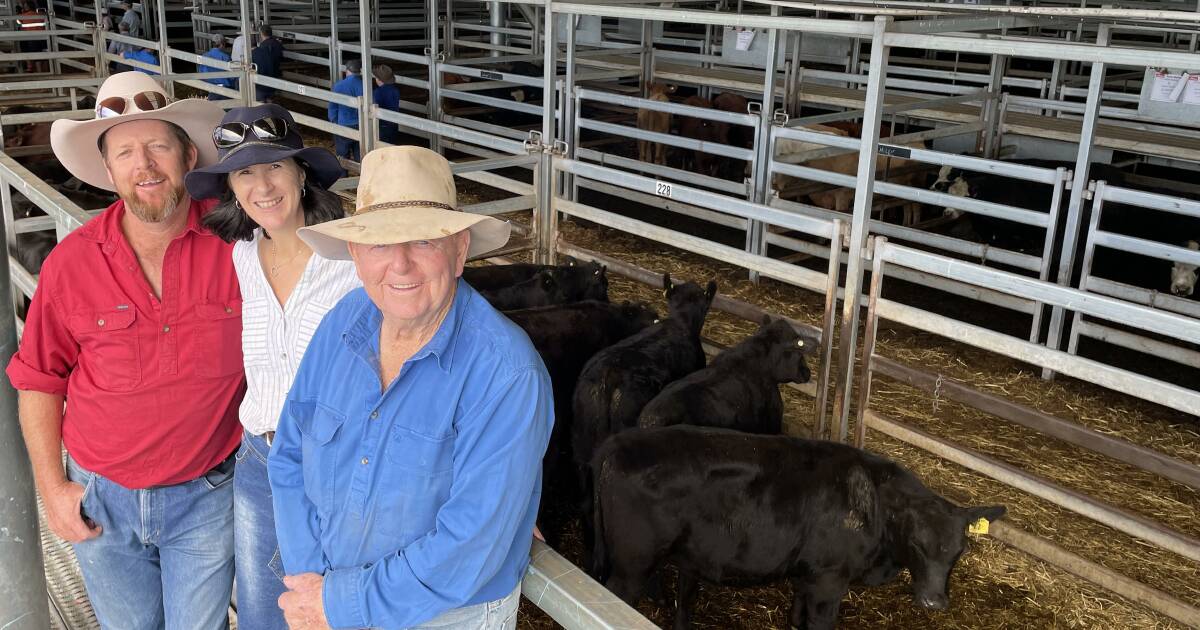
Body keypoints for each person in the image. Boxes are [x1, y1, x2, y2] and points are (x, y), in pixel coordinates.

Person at [270, 145, 553, 629]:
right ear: (356, 256)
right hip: (325, 592)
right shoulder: (341, 323)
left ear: (459, 250)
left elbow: (471, 544)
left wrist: (340, 604)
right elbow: (290, 455)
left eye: (423, 241)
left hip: (444, 616)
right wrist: (310, 579)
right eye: (379, 243)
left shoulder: (506, 373)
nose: (399, 265)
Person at [6, 72, 239, 629]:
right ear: (108, 171)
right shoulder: (71, 263)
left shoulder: (240, 249)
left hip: (206, 493)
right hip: (101, 496)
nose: (146, 166)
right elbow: (40, 379)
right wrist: (53, 490)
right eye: (126, 152)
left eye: (159, 146)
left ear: (186, 155)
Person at [183, 104, 354, 630]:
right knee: (263, 611)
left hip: (343, 465)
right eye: (244, 171)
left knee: (342, 604)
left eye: (275, 165)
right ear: (231, 187)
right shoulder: (241, 253)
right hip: (260, 461)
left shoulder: (354, 256)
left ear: (302, 173)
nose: (262, 184)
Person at [328, 58, 363, 160]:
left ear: (347, 71)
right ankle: (362, 174)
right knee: (360, 155)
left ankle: (343, 175)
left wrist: (334, 121)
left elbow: (332, 107)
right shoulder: (364, 86)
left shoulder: (339, 86)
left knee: (342, 155)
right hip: (361, 126)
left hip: (344, 124)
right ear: (359, 71)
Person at [251, 23, 283, 103]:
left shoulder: (260, 48)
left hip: (262, 80)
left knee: (261, 102)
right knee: (270, 100)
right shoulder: (277, 44)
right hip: (274, 77)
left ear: (261, 34)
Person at [199, 33, 237, 99]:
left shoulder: (204, 56)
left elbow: (201, 73)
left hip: (210, 89)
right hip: (224, 90)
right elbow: (232, 76)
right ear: (222, 44)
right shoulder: (225, 57)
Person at [372, 63, 401, 145]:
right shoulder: (395, 90)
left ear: (378, 79)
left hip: (382, 125)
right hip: (393, 124)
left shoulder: (377, 92)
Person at [16, 0, 48, 73]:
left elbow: (17, 23)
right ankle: (46, 71)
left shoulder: (23, 16)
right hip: (43, 37)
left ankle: (37, 71)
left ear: (26, 7)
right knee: (45, 54)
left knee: (35, 54)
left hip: (31, 38)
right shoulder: (40, 15)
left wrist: (21, 12)